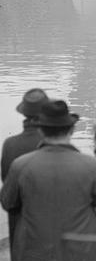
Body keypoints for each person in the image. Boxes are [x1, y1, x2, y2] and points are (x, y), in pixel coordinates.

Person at [1, 100, 96, 261]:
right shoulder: (92, 165)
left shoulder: (21, 165)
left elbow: (8, 203)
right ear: (72, 129)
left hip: (34, 255)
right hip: (83, 255)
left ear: (40, 129)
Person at [1, 88, 49, 249]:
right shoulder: (54, 141)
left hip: (19, 213)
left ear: (24, 114)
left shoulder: (10, 143)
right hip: (48, 212)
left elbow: (6, 180)